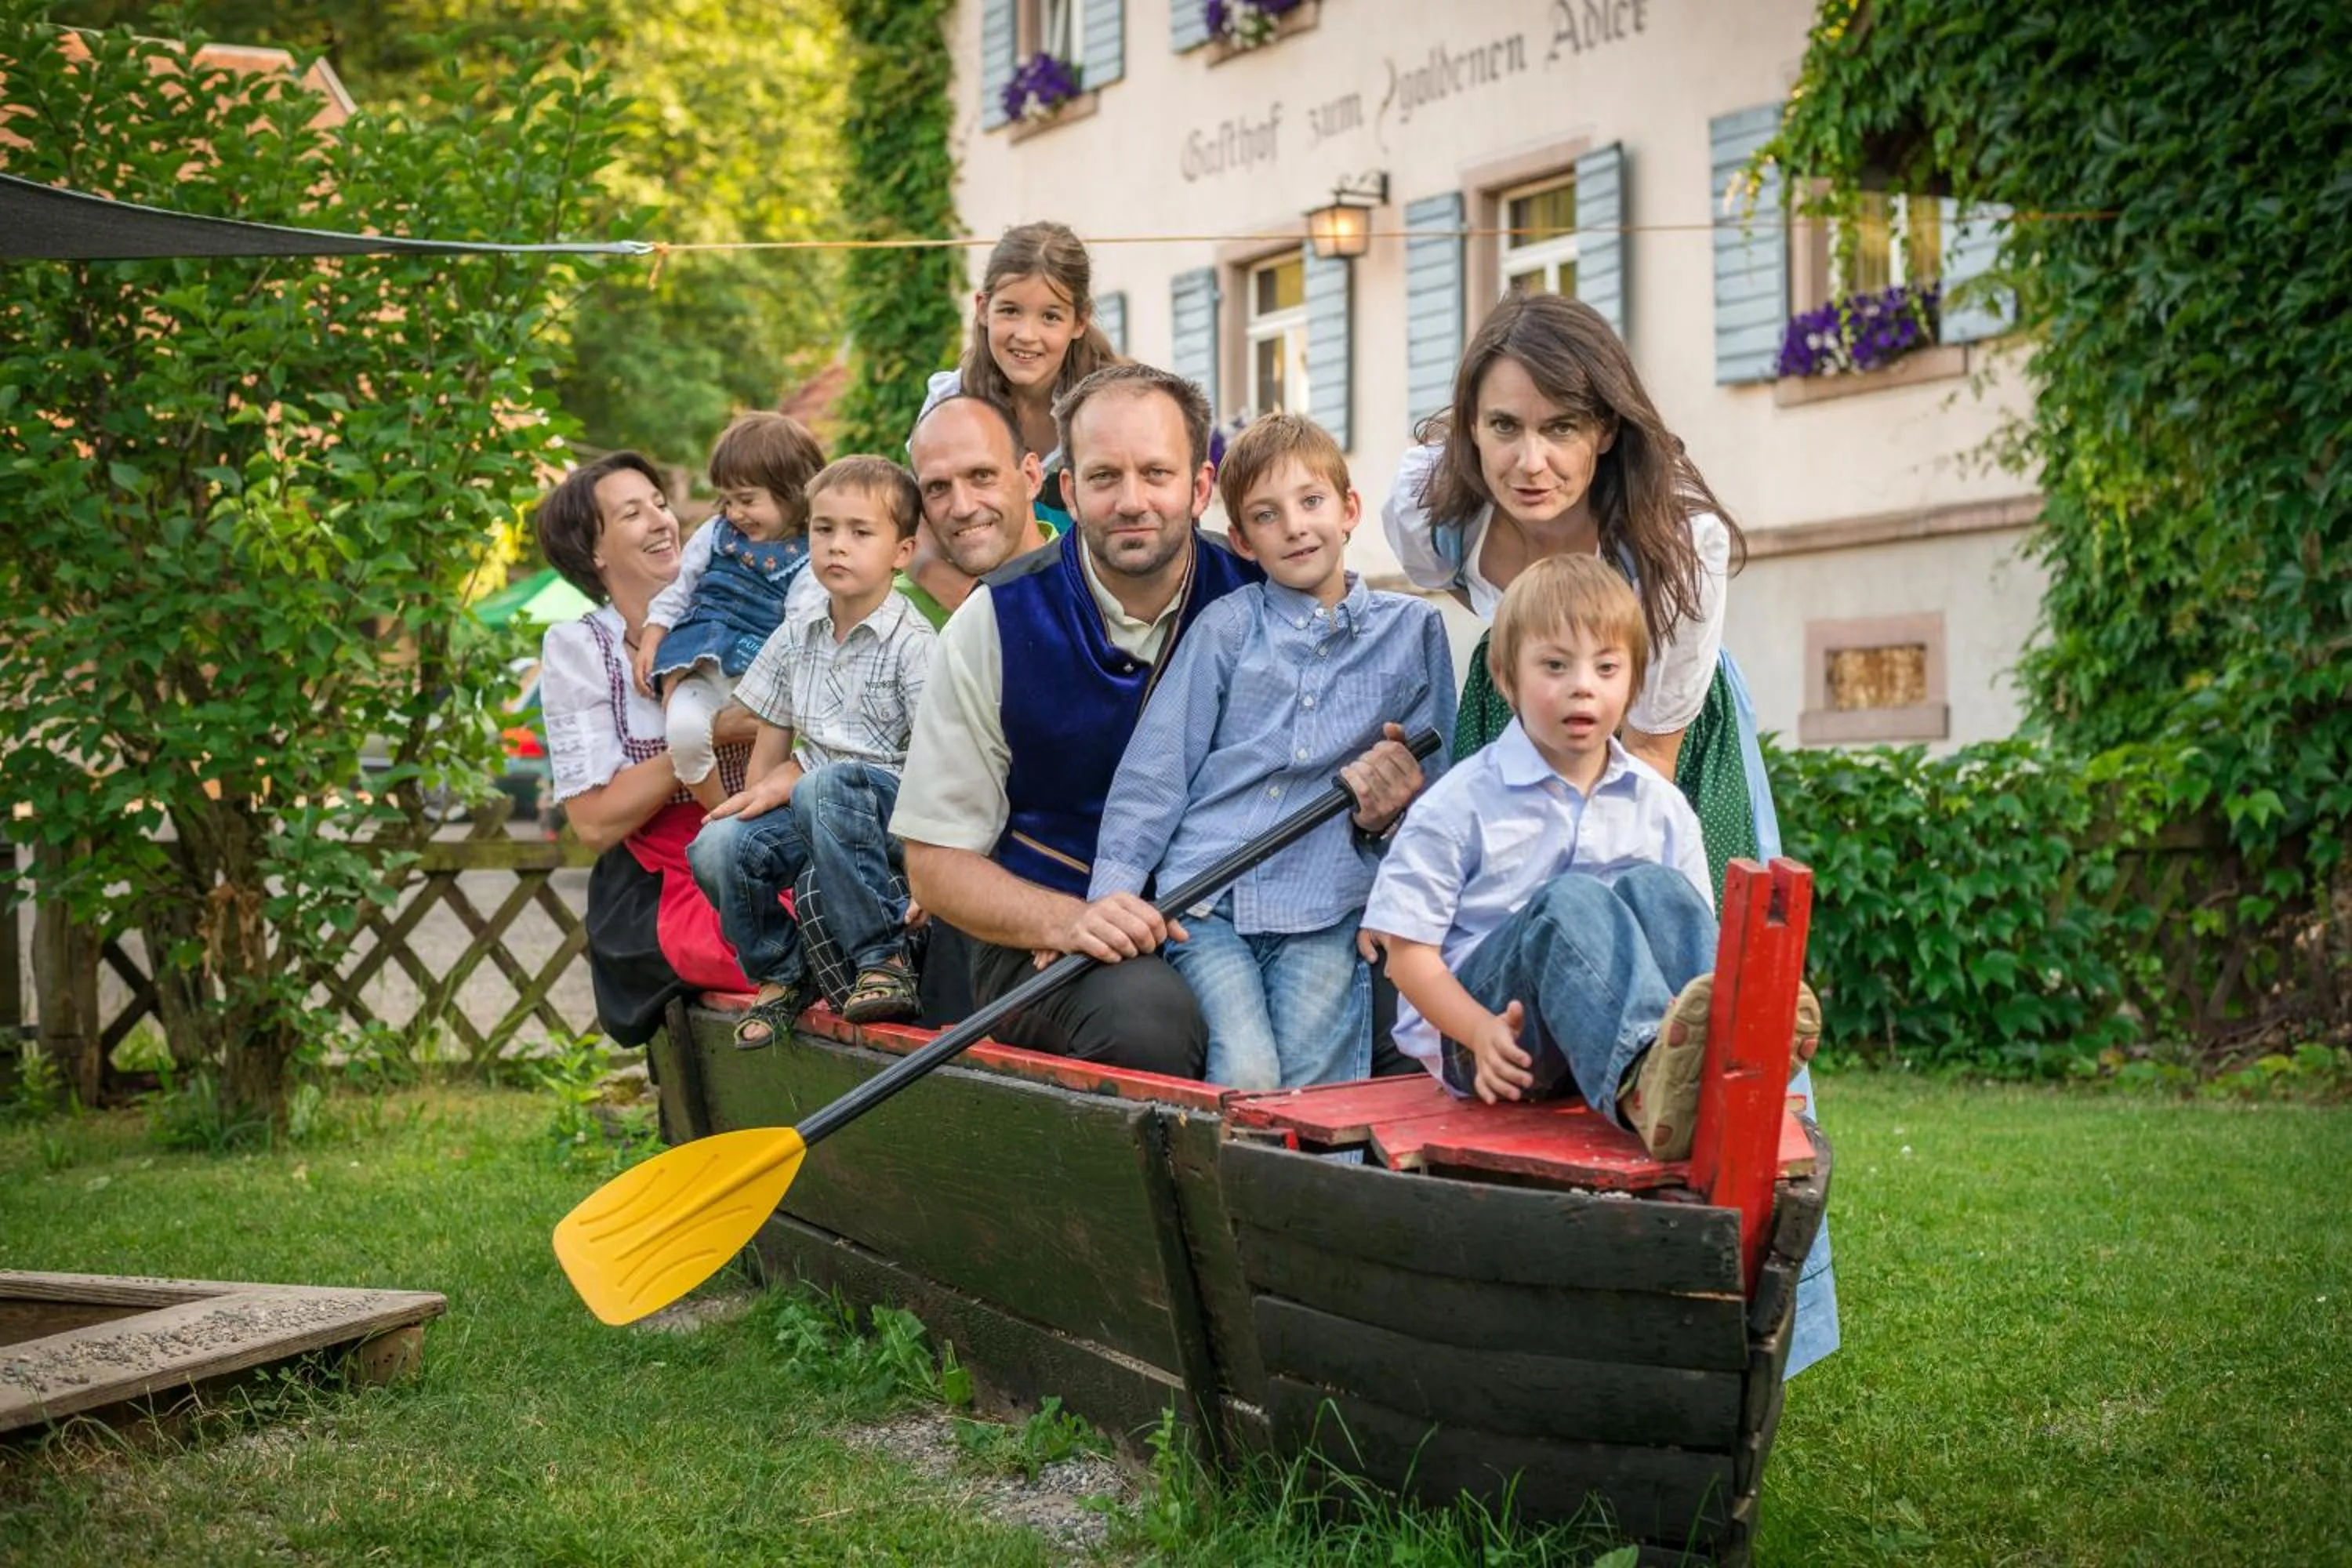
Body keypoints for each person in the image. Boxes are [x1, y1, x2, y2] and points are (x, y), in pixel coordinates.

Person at [1363, 554, 1835, 1376]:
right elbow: (1406, 956)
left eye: (1606, 667)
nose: (1583, 687)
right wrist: (1474, 1028)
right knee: (1571, 899)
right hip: (1498, 1041)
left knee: (1656, 886)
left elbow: (1685, 921)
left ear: (1632, 681)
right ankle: (1651, 1082)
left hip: (1612, 1030)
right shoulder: (1463, 799)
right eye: (1555, 666)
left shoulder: (1659, 805)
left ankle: (1725, 1047)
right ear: (1507, 679)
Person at [891, 363, 1426, 1076]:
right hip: (1046, 938)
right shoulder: (996, 622)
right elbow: (933, 866)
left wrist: (1386, 805)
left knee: (1408, 1000)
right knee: (1152, 1017)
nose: (1132, 501)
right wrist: (1069, 918)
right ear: (1069, 491)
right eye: (1106, 477)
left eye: (1157, 473)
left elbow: (1365, 754)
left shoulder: (1268, 593)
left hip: (1254, 911)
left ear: (1200, 488)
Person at [1088, 413, 1456, 1090]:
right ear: (1243, 541)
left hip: (1326, 904)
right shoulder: (1226, 630)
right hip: (1206, 903)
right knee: (1249, 1071)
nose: (1294, 526)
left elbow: (1435, 797)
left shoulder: (1413, 633)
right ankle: (1234, 1194)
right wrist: (1110, 900)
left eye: (1311, 502)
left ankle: (1311, 1196)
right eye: (1267, 514)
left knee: (1314, 1084)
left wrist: (1399, 903)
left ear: (1348, 511)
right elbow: (1155, 775)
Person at [1381, 292, 1779, 899]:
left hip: (1652, 731)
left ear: (1605, 429)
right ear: (1472, 425)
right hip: (1514, 708)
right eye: (1504, 426)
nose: (1530, 463)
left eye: (1561, 427)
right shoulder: (1433, 508)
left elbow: (1650, 754)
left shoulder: (1675, 542)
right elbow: (1489, 607)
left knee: (1662, 940)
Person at [687, 458, 935, 1047]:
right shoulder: (798, 633)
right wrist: (752, 812)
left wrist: (932, 871)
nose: (837, 547)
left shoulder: (914, 644)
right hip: (814, 806)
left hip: (891, 812)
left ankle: (883, 958)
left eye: (860, 532)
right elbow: (767, 758)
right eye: (824, 530)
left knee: (827, 782)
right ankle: (783, 970)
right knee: (717, 843)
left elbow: (938, 764)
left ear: (902, 552)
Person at [535, 452, 754, 1045]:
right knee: (776, 943)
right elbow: (594, 820)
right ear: (594, 552)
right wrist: (710, 734)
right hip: (667, 875)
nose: (662, 521)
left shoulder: (735, 607)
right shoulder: (582, 650)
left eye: (659, 504)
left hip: (765, 840)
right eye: (633, 513)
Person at [633, 412, 826, 810]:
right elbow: (679, 589)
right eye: (727, 500)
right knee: (683, 733)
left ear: (794, 492)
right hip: (698, 660)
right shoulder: (715, 533)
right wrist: (654, 634)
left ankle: (753, 810)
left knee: (782, 751)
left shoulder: (811, 556)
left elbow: (798, 627)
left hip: (760, 674)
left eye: (747, 500)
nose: (735, 513)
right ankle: (720, 810)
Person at [915, 220, 1119, 537]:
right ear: (983, 309)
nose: (1026, 335)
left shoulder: (1113, 406)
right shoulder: (951, 401)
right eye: (1010, 311)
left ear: (1079, 322)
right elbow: (922, 526)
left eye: (1050, 317)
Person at [898, 393, 1064, 627]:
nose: (963, 508)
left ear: (1031, 477)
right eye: (937, 487)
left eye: (982, 476)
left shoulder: (1101, 588)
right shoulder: (886, 611)